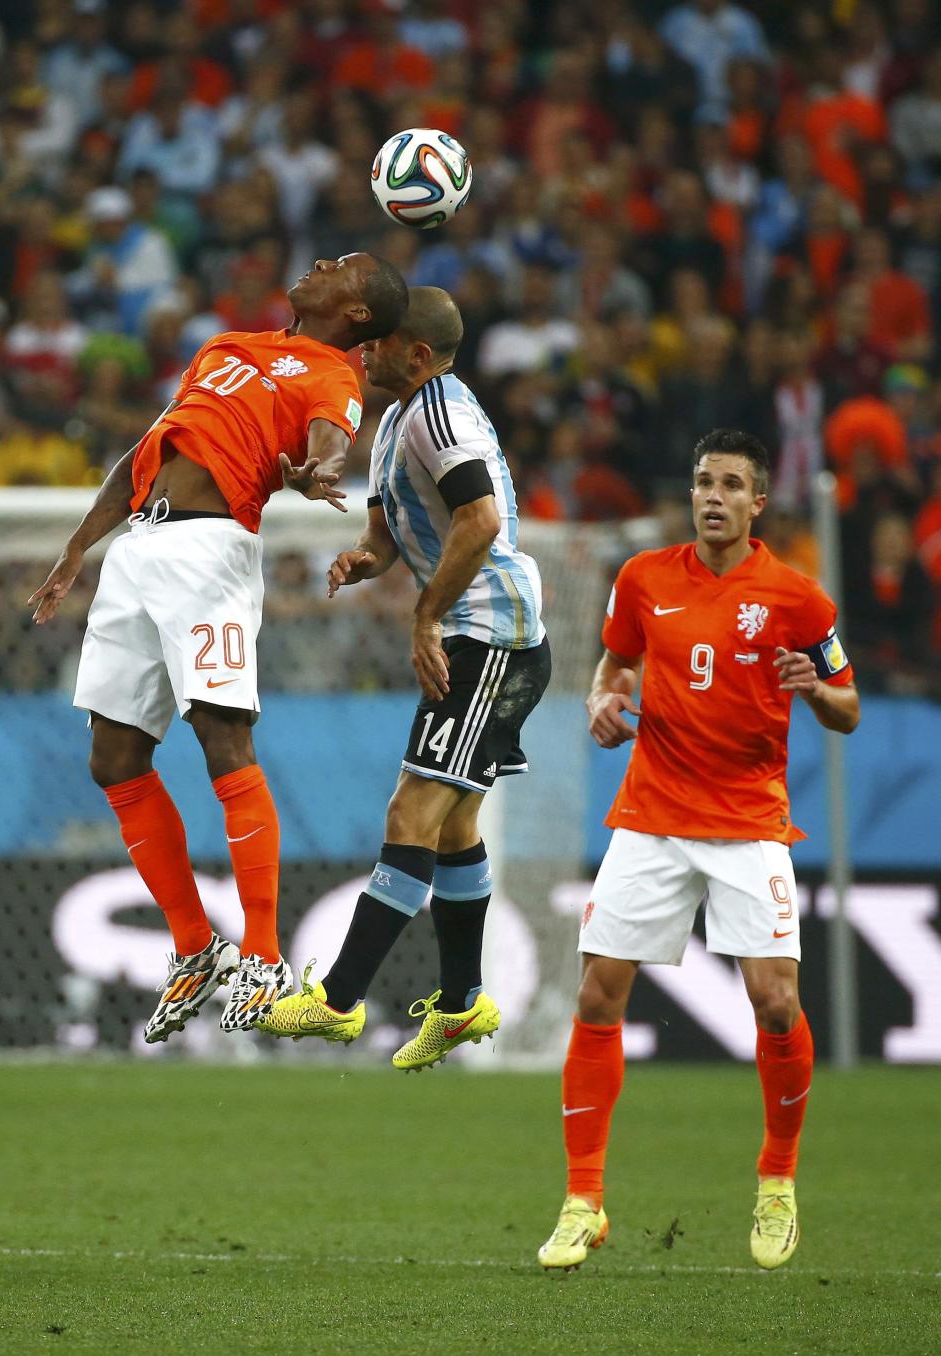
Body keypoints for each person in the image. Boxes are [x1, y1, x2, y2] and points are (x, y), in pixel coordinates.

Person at [28, 253, 409, 1043]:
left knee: (222, 737)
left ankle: (265, 958)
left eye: (343, 267)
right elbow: (148, 450)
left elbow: (331, 439)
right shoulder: (226, 347)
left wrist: (315, 472)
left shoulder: (332, 370)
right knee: (113, 759)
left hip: (211, 554)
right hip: (137, 547)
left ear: (359, 312)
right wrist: (77, 549)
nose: (320, 263)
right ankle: (196, 946)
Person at [537, 428, 860, 1274]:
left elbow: (849, 706)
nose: (711, 496)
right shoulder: (644, 579)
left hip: (750, 820)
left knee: (777, 1004)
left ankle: (778, 1179)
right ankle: (582, 1201)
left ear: (758, 502)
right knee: (599, 995)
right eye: (701, 481)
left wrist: (816, 689)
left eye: (729, 484)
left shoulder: (797, 598)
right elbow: (612, 671)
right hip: (651, 815)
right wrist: (602, 708)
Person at [259, 286, 551, 1069]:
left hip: (492, 636)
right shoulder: (400, 418)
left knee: (411, 810)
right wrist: (368, 558)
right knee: (451, 828)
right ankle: (461, 1007)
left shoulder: (441, 416)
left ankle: (339, 1000)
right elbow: (391, 529)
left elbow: (481, 520)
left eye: (380, 341)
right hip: (473, 634)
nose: (365, 349)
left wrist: (424, 618)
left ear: (416, 354)